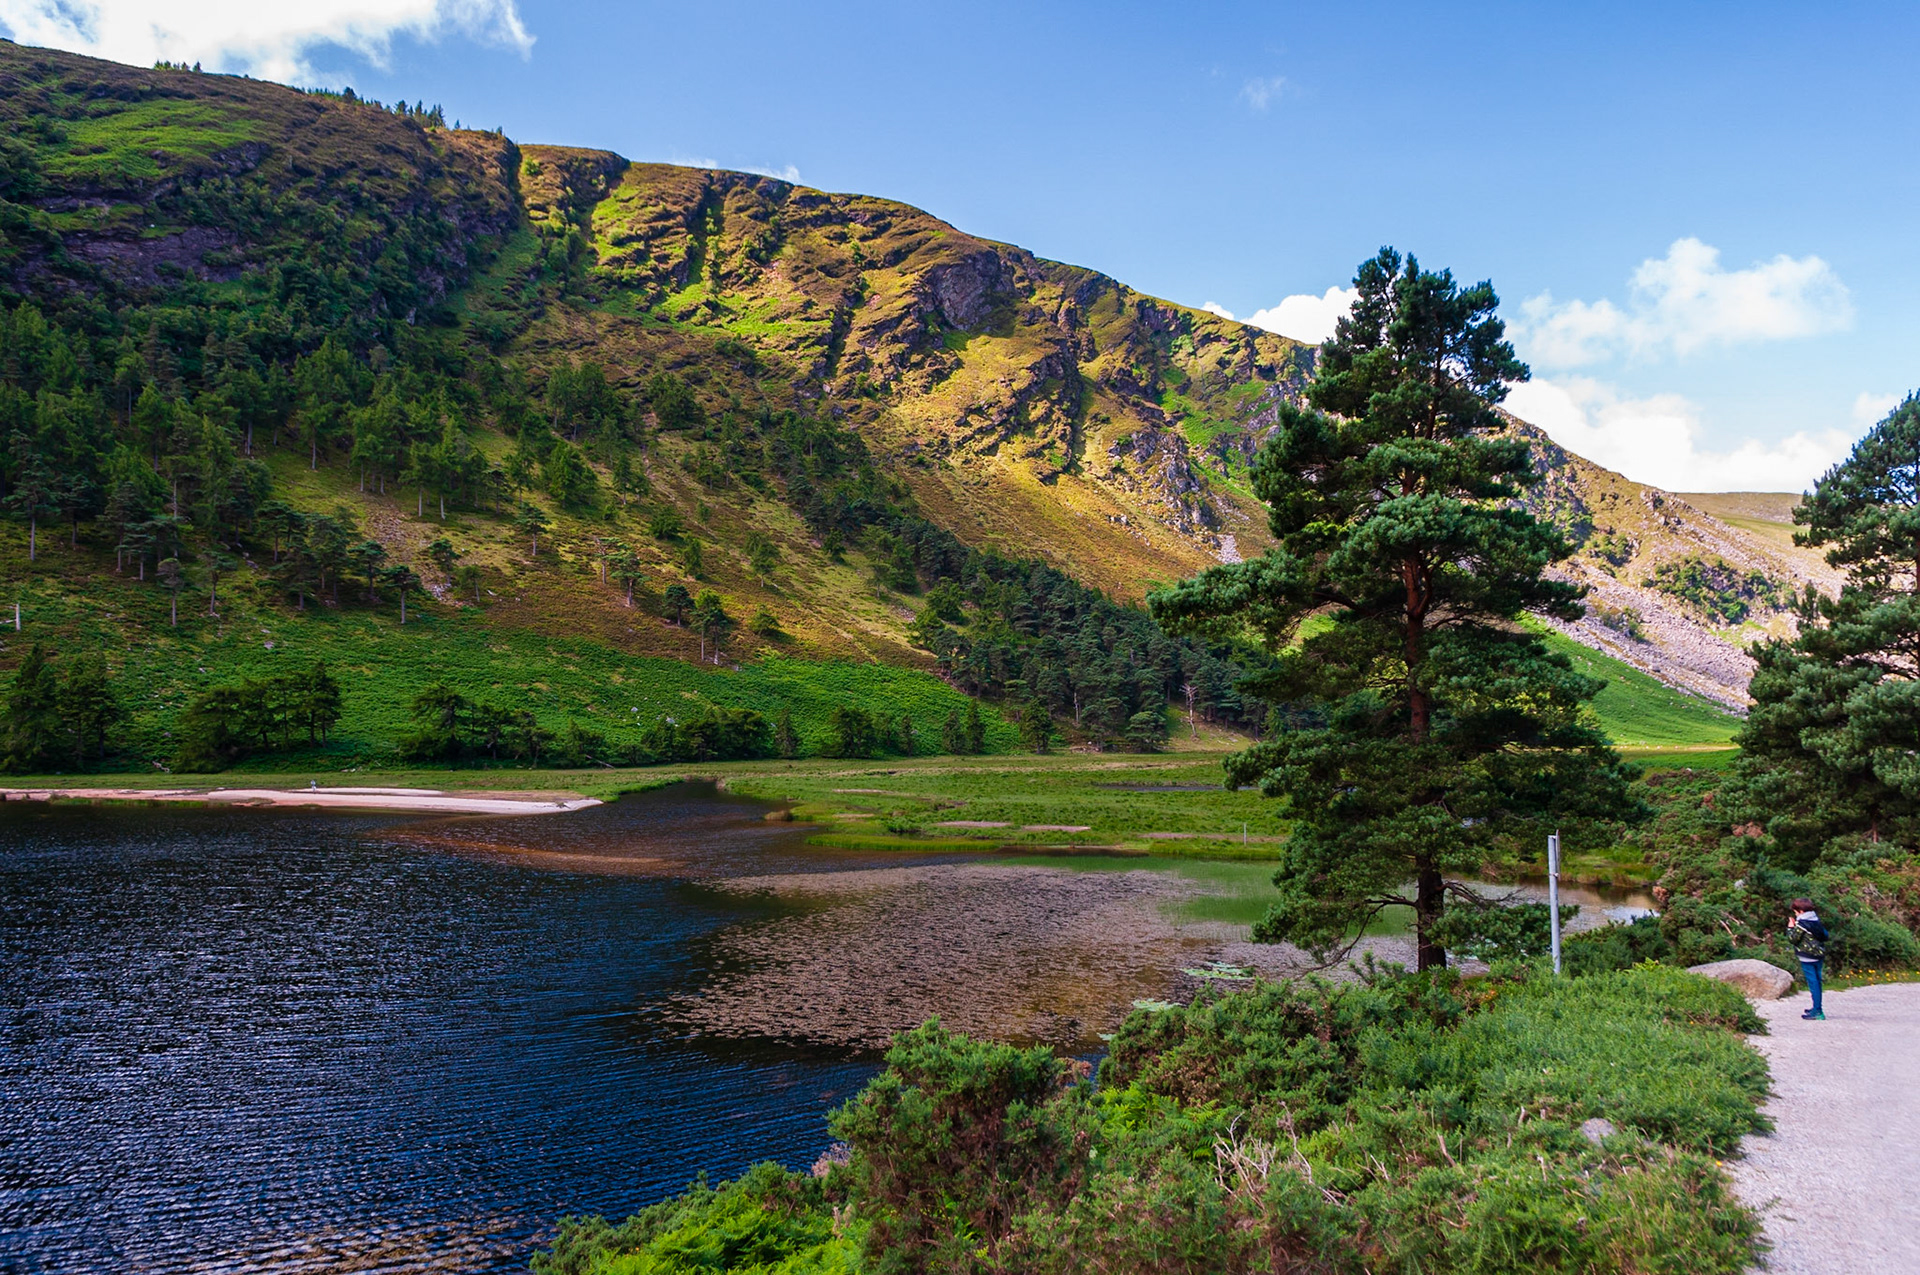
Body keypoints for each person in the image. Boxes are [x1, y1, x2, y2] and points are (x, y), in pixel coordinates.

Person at [1788, 898, 1830, 1021]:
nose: (1795, 914)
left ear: (1801, 911)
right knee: (1817, 981)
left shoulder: (1802, 924)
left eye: (1795, 912)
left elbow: (1793, 939)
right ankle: (1816, 1007)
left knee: (1813, 983)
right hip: (1819, 955)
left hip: (1807, 956)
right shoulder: (1815, 920)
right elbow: (1825, 935)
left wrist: (1790, 927)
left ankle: (1817, 1011)